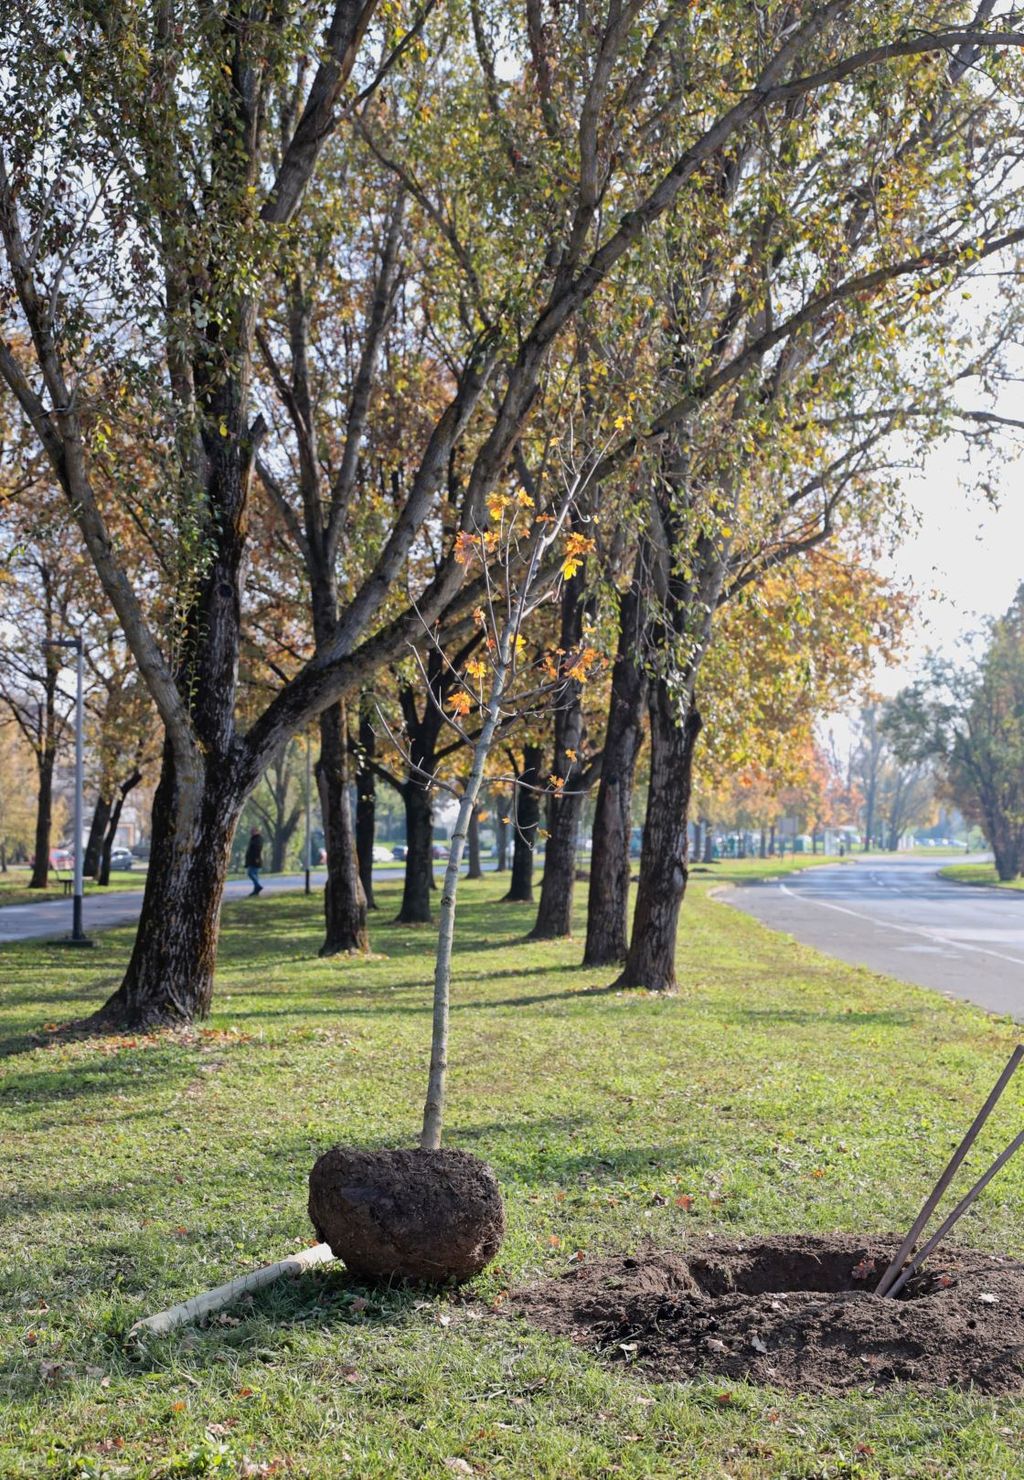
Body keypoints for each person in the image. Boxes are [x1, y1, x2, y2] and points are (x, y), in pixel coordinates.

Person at [245, 828, 264, 895]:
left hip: (255, 859)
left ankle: (258, 886)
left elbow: (258, 849)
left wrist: (256, 858)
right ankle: (256, 890)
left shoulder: (258, 839)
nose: (251, 832)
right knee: (255, 874)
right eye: (251, 831)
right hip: (252, 859)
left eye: (253, 831)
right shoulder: (253, 838)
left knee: (250, 873)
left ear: (257, 831)